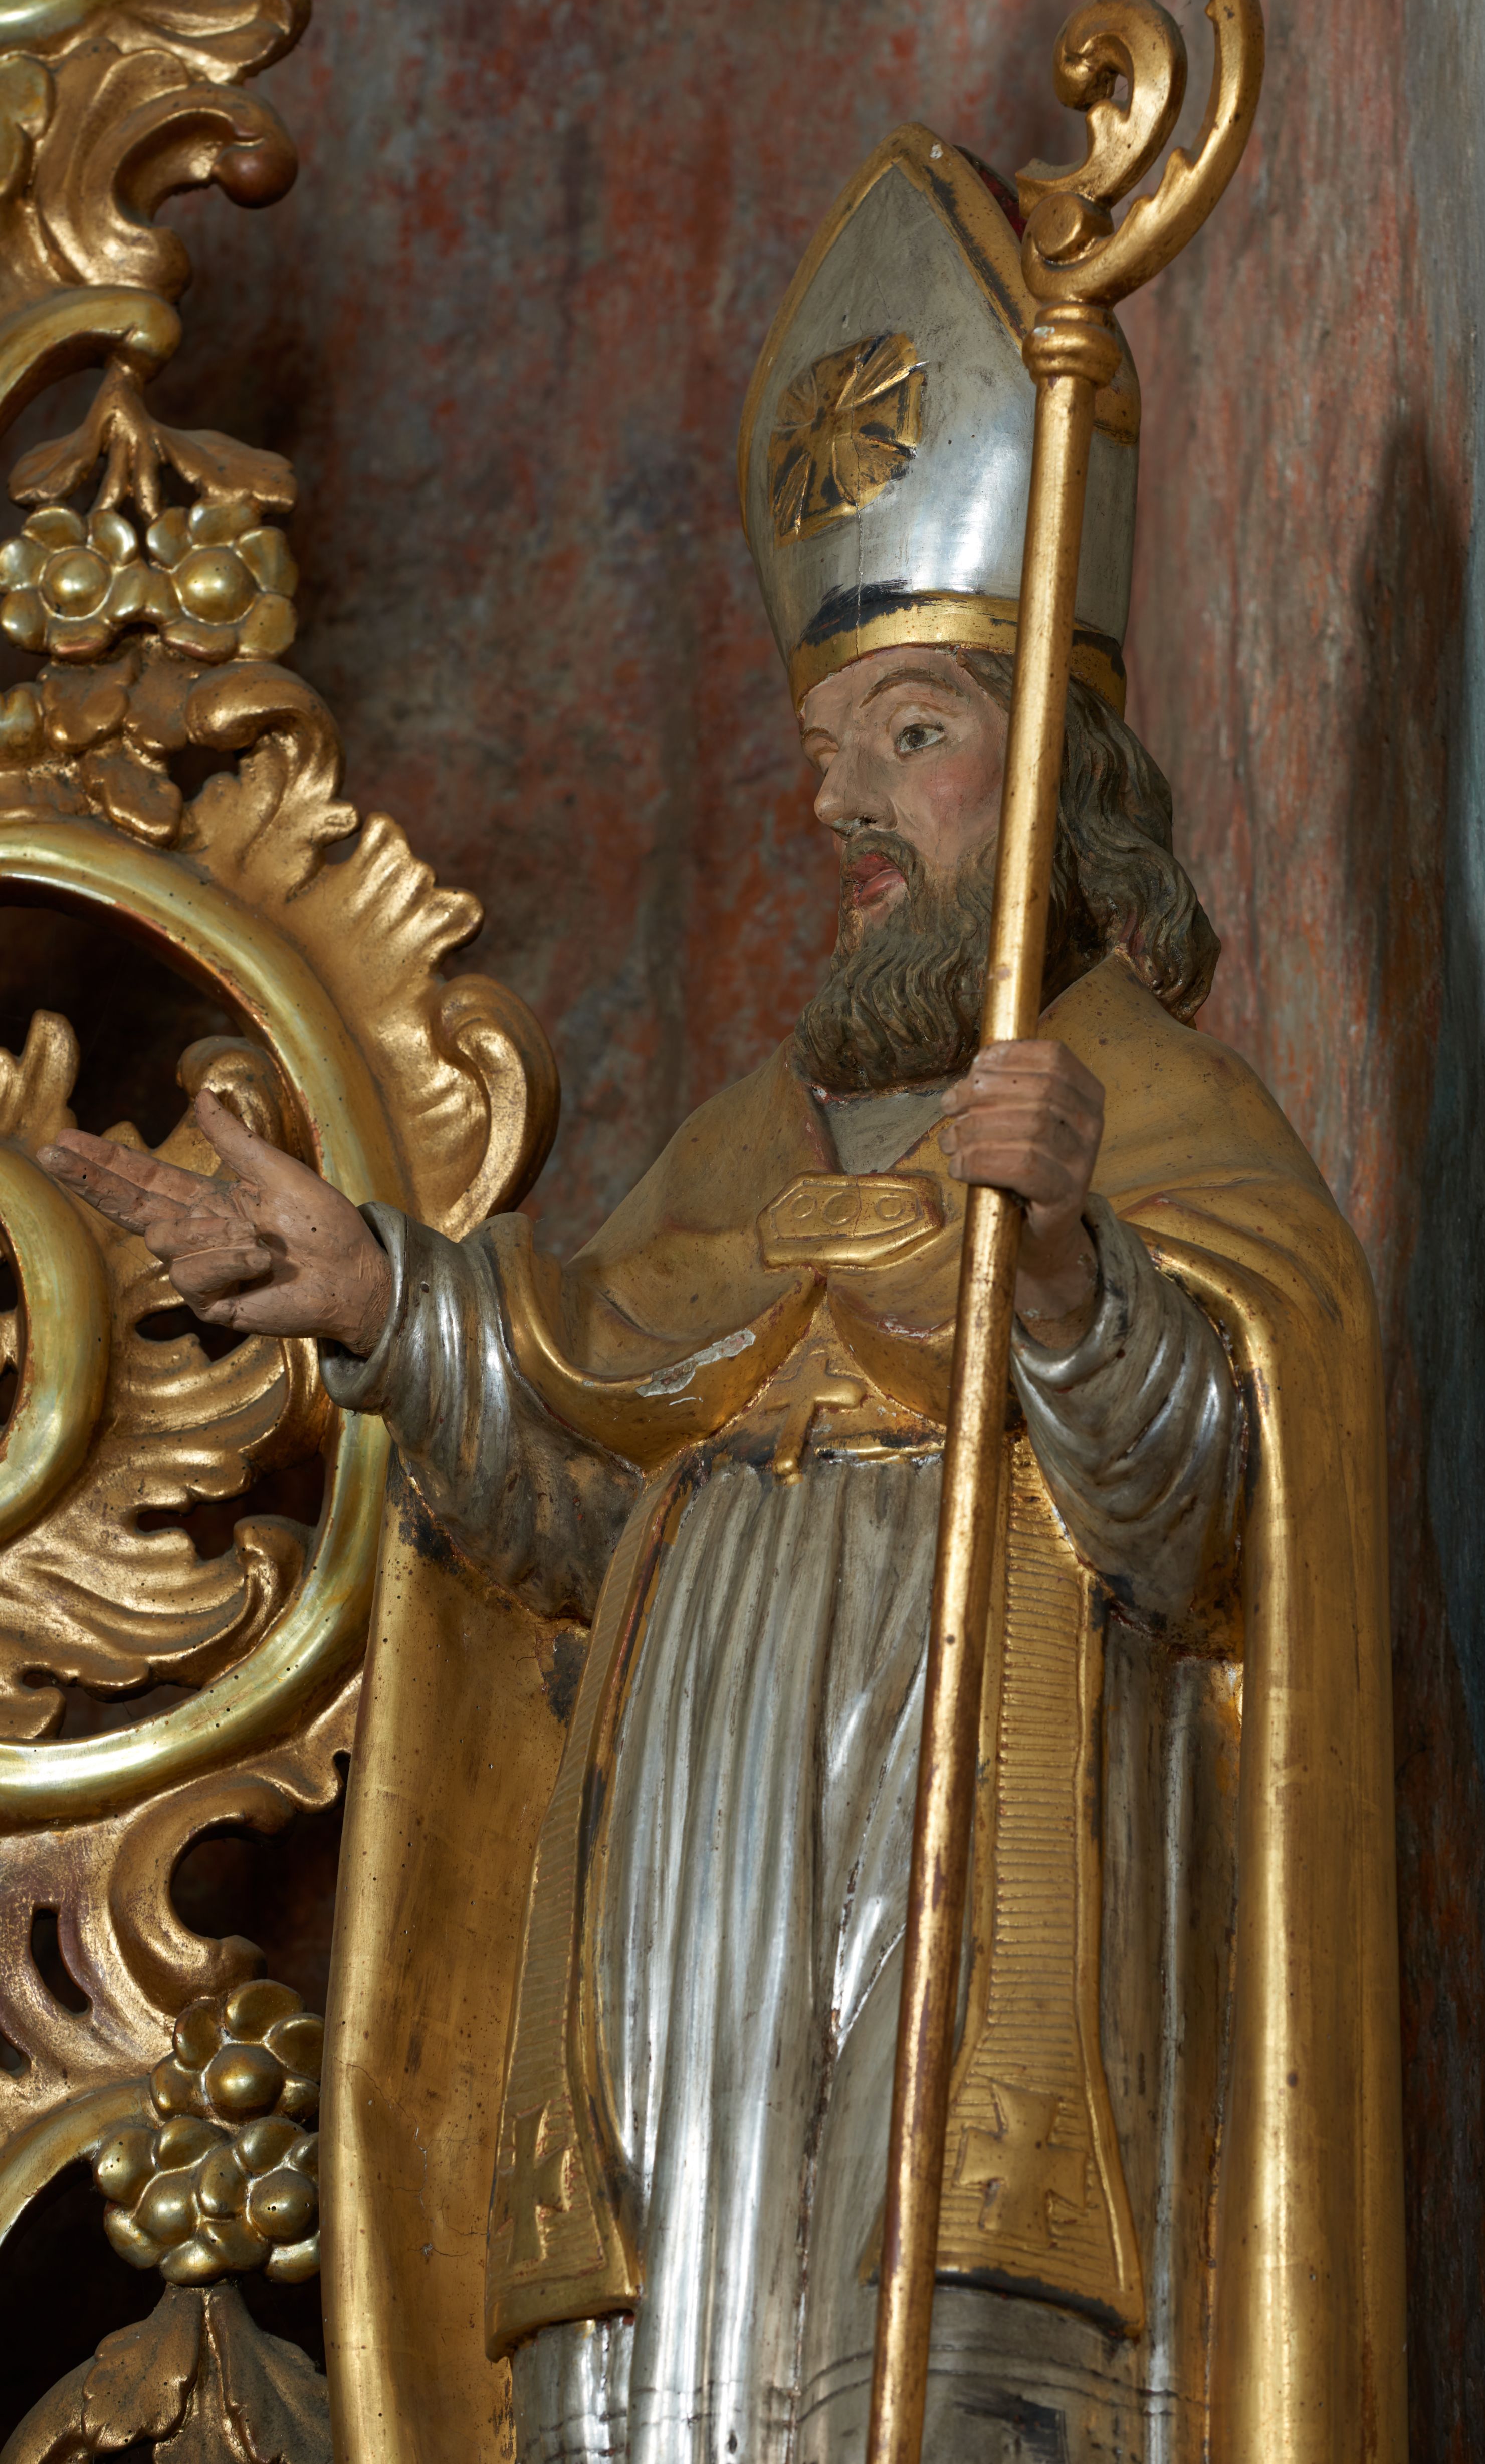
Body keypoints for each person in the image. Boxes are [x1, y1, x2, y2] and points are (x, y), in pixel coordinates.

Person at [42, 127, 1399, 2464]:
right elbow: (580, 1463)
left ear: (1063, 769)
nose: (843, 808)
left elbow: (1221, 1520)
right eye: (823, 756)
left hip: (972, 1982)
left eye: (917, 739)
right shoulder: (750, 1153)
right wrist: (378, 1295)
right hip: (683, 1999)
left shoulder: (1166, 1128)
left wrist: (1072, 1262)